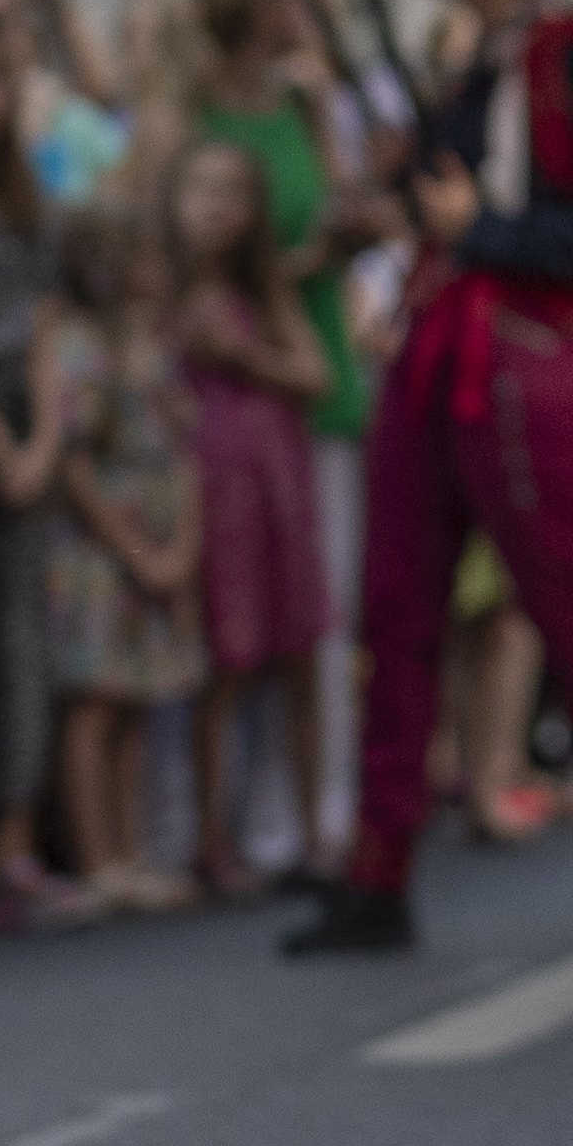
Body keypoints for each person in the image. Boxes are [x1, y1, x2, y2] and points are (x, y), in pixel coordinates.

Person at [290, 0, 573, 951]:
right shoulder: (467, 62)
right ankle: (376, 870)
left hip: (521, 367)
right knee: (398, 609)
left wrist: (483, 226)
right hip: (438, 353)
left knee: (567, 608)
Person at [166, 129, 332, 893]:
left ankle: (310, 828)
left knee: (297, 652)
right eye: (201, 190)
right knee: (226, 661)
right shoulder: (161, 294)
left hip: (277, 487)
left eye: (234, 193)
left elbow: (316, 372)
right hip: (213, 491)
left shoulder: (264, 293)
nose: (217, 209)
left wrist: (245, 357)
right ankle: (210, 837)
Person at [35, 205, 201, 912]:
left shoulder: (154, 341)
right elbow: (72, 465)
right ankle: (97, 855)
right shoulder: (76, 345)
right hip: (98, 550)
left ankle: (133, 853)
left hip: (153, 537)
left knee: (137, 697)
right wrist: (134, 549)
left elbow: (184, 447)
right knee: (97, 701)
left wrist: (178, 549)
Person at [0, 1, 62, 930]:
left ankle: (13, 842)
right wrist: (2, 445)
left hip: (23, 411)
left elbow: (43, 319)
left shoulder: (26, 193)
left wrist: (40, 432)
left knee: (21, 637)